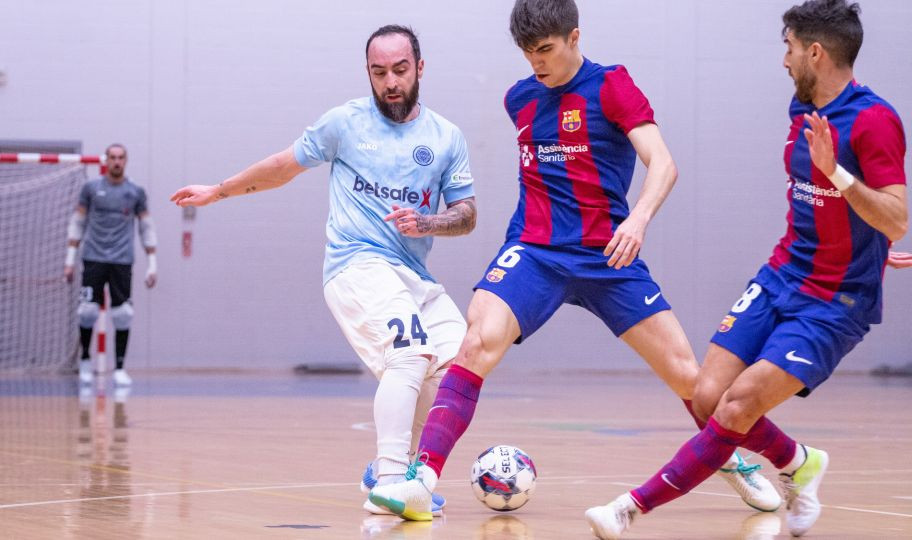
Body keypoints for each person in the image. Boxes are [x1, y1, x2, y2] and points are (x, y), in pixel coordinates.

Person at [369, 0, 780, 521]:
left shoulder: (612, 86)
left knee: (692, 382)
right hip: (535, 252)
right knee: (474, 343)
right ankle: (420, 481)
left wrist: (639, 220)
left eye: (545, 49)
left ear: (574, 37)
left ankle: (736, 461)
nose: (536, 62)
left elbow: (664, 164)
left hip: (608, 254)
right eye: (527, 51)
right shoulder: (519, 98)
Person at [586, 1, 907, 538]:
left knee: (736, 406)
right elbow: (845, 210)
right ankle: (801, 463)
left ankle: (628, 509)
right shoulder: (802, 108)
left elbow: (896, 216)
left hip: (834, 302)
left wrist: (843, 182)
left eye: (788, 47)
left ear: (815, 51)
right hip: (783, 273)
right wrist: (862, 228)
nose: (783, 60)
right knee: (707, 394)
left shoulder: (874, 120)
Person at [169, 25, 477, 517]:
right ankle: (393, 481)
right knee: (410, 353)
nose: (390, 82)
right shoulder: (345, 123)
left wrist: (427, 221)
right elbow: (282, 165)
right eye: (379, 73)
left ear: (421, 68)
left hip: (413, 275)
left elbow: (467, 215)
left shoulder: (446, 137)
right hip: (356, 264)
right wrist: (219, 190)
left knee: (460, 361)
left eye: (400, 70)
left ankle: (404, 476)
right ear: (368, 74)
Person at [65, 143, 158, 387]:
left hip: (121, 261)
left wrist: (152, 263)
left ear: (125, 161)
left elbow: (146, 227)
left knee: (123, 313)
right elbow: (78, 222)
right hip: (93, 258)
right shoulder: (91, 189)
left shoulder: (135, 192)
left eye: (121, 158)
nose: (116, 161)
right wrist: (69, 260)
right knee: (87, 311)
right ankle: (85, 360)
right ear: (106, 160)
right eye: (112, 157)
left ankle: (119, 368)